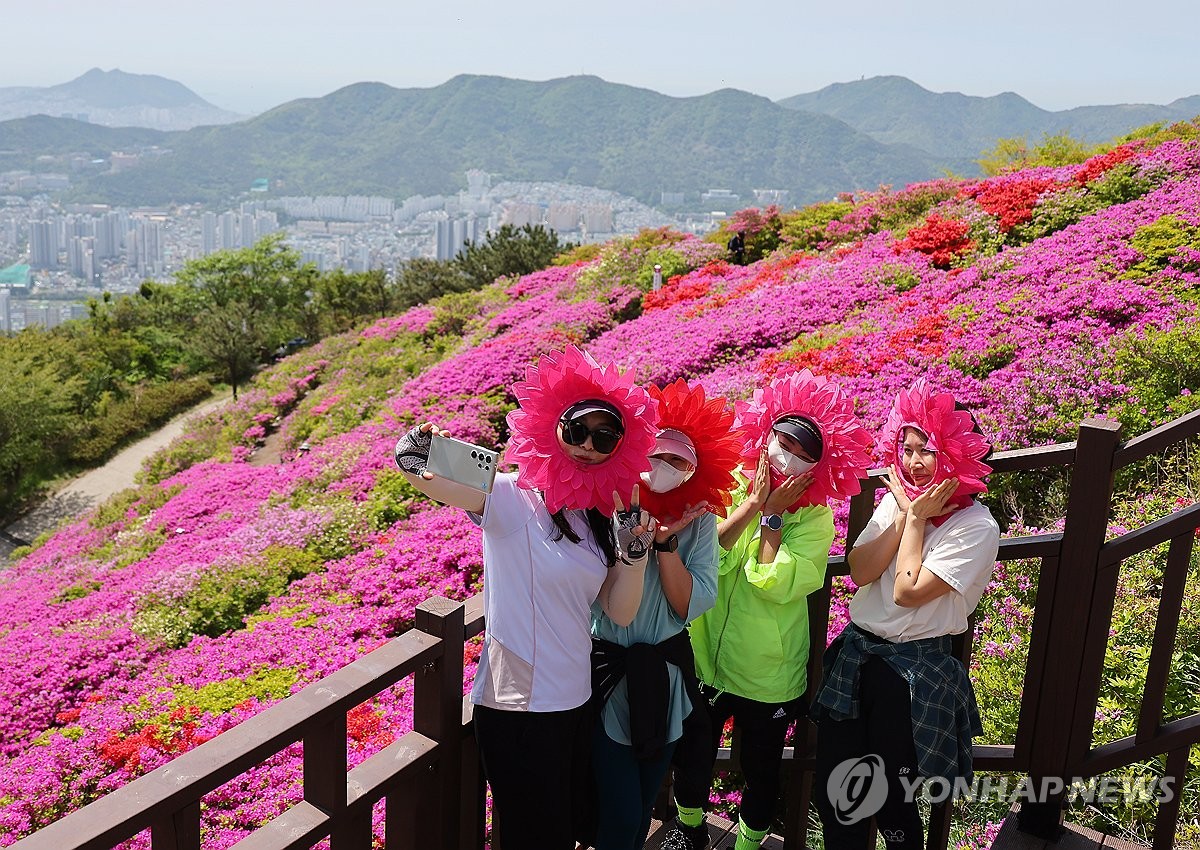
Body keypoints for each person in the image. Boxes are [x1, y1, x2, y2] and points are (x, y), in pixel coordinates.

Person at [393, 345, 658, 850]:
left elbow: (619, 611)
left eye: (605, 437)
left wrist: (635, 554)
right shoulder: (513, 496)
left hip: (575, 700)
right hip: (519, 709)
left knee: (566, 831)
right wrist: (417, 449)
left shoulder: (599, 516)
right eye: (576, 430)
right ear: (552, 427)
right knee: (532, 838)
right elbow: (426, 471)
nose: (587, 445)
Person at [662, 370, 872, 850]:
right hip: (706, 658)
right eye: (785, 443)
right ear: (766, 435)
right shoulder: (734, 484)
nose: (790, 458)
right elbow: (708, 557)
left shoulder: (815, 516)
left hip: (767, 673)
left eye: (804, 455)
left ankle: (749, 843)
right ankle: (689, 827)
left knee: (761, 769)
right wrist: (756, 503)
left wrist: (774, 517)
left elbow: (777, 581)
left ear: (817, 466)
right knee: (692, 754)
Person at [812, 379, 1000, 850]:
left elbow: (907, 592)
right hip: (860, 654)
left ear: (955, 454)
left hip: (916, 668)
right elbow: (860, 569)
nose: (914, 463)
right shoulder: (898, 503)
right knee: (837, 788)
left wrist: (915, 521)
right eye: (907, 449)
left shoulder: (976, 526)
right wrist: (903, 515)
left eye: (928, 451)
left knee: (896, 798)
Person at [588, 379, 743, 850]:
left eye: (680, 461)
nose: (666, 467)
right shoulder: (605, 507)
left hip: (667, 677)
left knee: (642, 802)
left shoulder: (699, 521)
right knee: (619, 811)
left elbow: (688, 603)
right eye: (660, 453)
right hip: (608, 675)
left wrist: (667, 544)